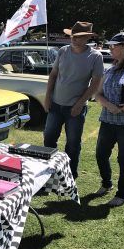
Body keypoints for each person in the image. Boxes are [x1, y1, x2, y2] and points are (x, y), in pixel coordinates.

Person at [43, 21, 104, 179]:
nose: (74, 39)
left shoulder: (95, 56)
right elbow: (53, 75)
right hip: (55, 104)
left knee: (73, 143)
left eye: (78, 37)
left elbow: (95, 84)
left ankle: (70, 175)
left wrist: (79, 104)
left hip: (75, 108)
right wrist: (48, 97)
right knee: (49, 138)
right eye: (72, 36)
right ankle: (50, 172)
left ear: (87, 38)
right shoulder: (63, 51)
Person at [93, 32, 124, 206]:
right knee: (100, 155)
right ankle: (106, 183)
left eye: (114, 45)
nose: (110, 48)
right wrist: (108, 104)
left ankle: (121, 195)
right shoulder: (111, 68)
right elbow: (97, 94)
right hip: (107, 120)